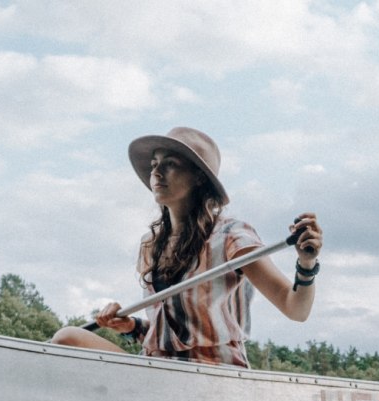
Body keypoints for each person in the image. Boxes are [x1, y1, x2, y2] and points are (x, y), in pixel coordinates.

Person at [50, 127, 323, 367]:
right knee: (68, 338)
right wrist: (132, 327)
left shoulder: (231, 235)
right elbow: (171, 337)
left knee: (66, 339)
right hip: (158, 368)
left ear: (198, 177)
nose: (155, 171)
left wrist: (306, 264)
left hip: (211, 372)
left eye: (170, 164)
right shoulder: (150, 245)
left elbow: (295, 309)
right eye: (155, 163)